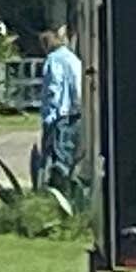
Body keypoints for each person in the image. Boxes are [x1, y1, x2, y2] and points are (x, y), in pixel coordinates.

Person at [33, 31, 86, 191]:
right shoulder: (72, 58)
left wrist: (49, 113)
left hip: (58, 113)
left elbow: (53, 87)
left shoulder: (53, 59)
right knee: (69, 151)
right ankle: (69, 186)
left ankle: (57, 188)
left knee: (57, 152)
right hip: (74, 111)